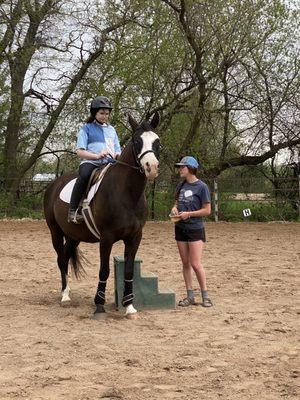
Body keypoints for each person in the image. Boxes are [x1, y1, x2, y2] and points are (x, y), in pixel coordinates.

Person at [68, 96, 121, 224]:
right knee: (84, 176)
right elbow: (79, 151)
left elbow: (118, 149)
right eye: (102, 113)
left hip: (110, 164)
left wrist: (118, 155)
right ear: (95, 113)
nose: (105, 116)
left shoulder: (112, 130)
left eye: (107, 114)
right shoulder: (86, 128)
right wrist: (97, 156)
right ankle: (73, 210)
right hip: (91, 162)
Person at [171, 156, 213, 307]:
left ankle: (205, 296)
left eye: (182, 167)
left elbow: (207, 210)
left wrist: (189, 214)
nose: (180, 170)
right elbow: (176, 203)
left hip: (195, 229)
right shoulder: (181, 186)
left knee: (195, 263)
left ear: (190, 169)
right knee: (185, 263)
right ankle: (190, 296)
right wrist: (175, 209)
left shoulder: (202, 187)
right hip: (180, 228)